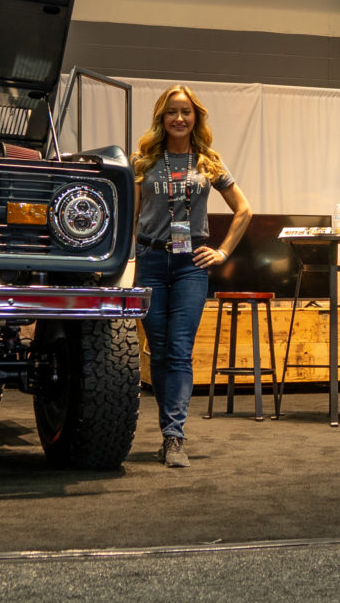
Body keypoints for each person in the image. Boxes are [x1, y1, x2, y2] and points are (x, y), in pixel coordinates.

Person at [133, 84, 252, 468]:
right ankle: (169, 432)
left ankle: (174, 438)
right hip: (150, 260)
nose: (179, 118)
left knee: (180, 351)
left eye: (186, 111)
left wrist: (221, 252)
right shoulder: (144, 163)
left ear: (195, 117)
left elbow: (244, 210)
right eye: (172, 112)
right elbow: (132, 217)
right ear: (161, 119)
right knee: (161, 350)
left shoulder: (208, 162)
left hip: (190, 266)